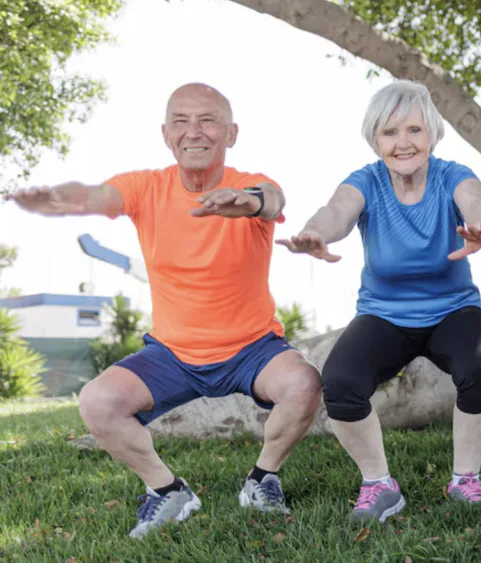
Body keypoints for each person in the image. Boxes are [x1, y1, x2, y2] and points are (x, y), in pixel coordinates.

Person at [3, 83, 322, 537]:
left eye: (208, 120)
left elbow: (271, 199)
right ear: (165, 134)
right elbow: (94, 195)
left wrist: (248, 202)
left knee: (303, 382)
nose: (194, 132)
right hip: (172, 354)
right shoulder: (146, 187)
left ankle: (261, 478)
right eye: (181, 121)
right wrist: (55, 198)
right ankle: (168, 490)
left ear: (230, 133)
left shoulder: (252, 182)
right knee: (98, 400)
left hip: (252, 347)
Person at [277, 80, 481, 523]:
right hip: (384, 314)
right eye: (390, 132)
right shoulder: (366, 181)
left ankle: (465, 480)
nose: (403, 143)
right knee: (340, 383)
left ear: (433, 134)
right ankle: (379, 484)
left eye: (415, 130)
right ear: (375, 139)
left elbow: (476, 202)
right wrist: (315, 232)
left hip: (452, 308)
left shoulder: (451, 174)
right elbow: (337, 210)